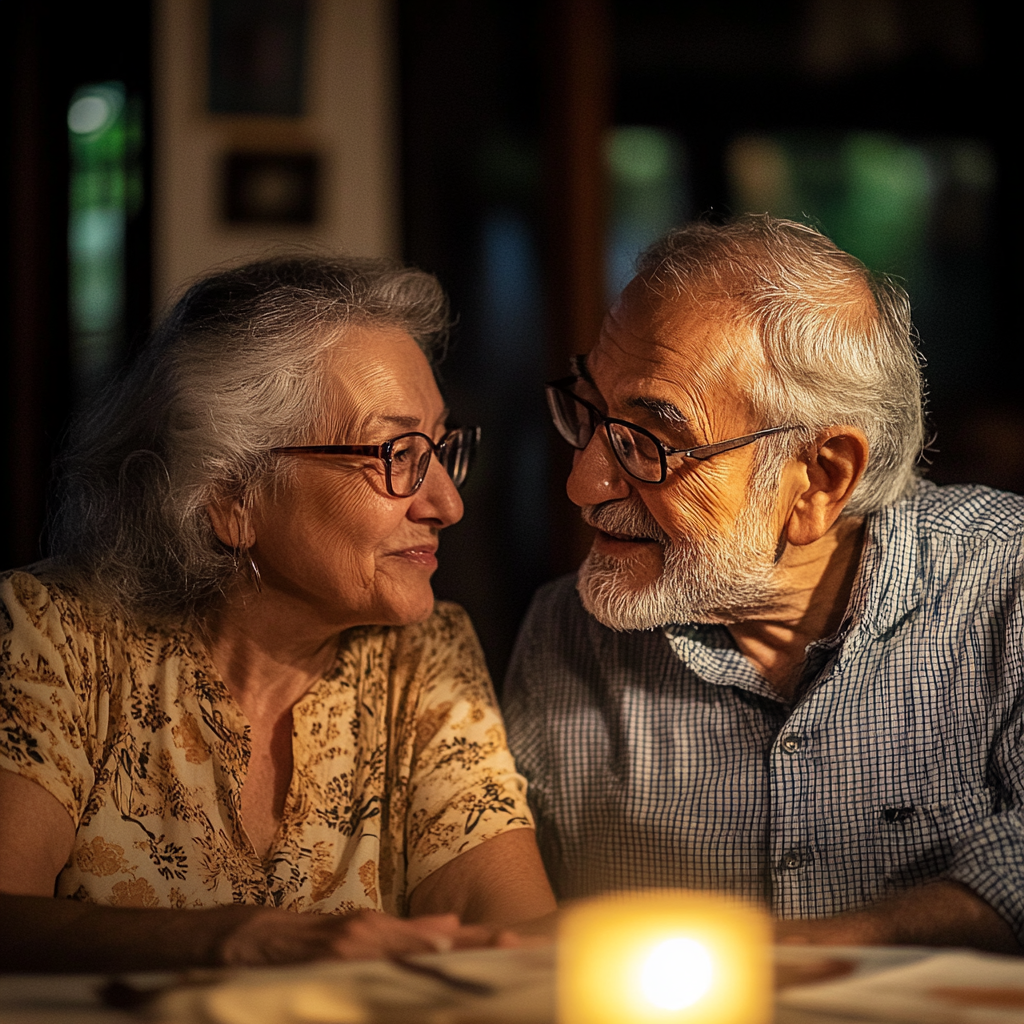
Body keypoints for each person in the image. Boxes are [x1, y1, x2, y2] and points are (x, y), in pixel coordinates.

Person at [0, 255, 555, 971]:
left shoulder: (423, 655)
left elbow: (513, 942)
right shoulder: (53, 634)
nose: (446, 503)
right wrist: (234, 940)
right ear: (231, 496)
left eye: (441, 448)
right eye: (396, 452)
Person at [503, 215, 1024, 952]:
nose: (583, 482)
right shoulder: (566, 633)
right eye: (590, 414)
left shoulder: (1009, 586)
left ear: (819, 478)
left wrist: (817, 953)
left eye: (651, 440)